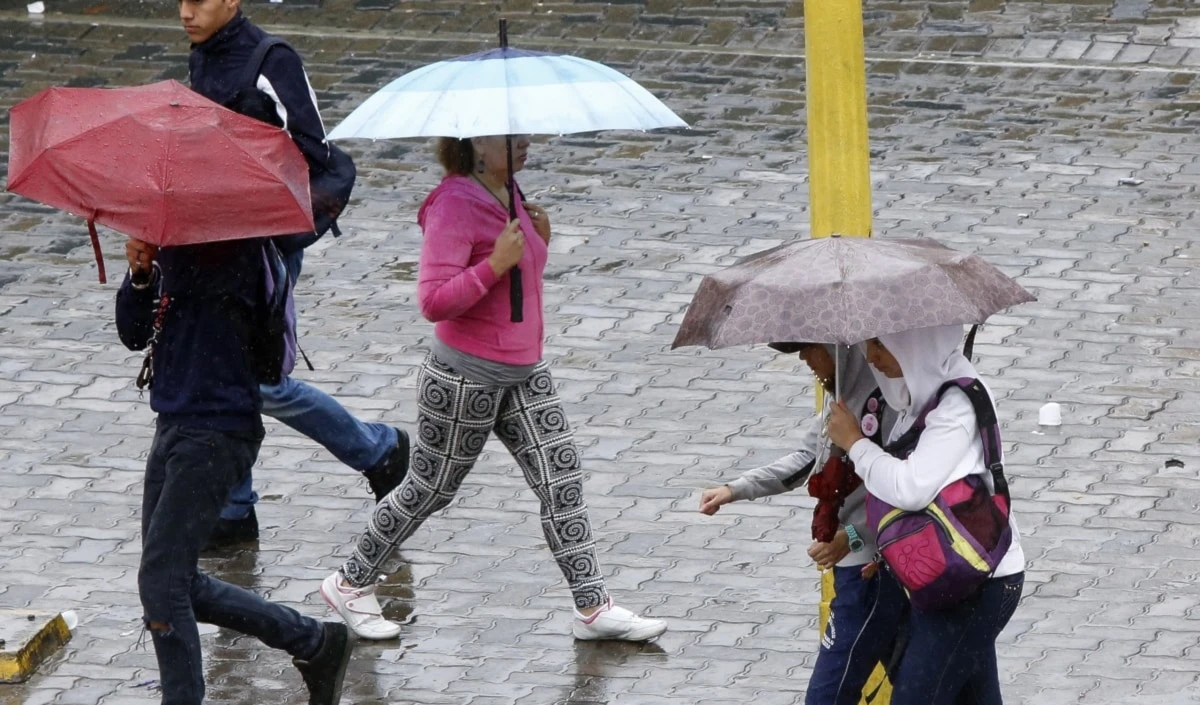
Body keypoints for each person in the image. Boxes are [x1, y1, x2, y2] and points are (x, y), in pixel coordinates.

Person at [318, 134, 667, 642]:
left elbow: (520, 290)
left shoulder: (512, 191)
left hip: (523, 370)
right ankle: (350, 582)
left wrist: (538, 243)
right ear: (476, 144)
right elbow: (434, 301)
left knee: (561, 477)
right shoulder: (455, 205)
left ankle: (592, 608)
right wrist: (495, 263)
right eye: (512, 136)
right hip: (465, 376)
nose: (526, 142)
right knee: (432, 489)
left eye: (525, 133)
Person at [180, 0, 409, 548]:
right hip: (219, 239)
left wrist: (240, 170)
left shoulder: (271, 59)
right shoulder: (201, 55)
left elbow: (312, 147)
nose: (186, 11)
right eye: (181, 0)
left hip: (268, 243)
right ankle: (235, 509)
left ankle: (378, 449)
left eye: (199, 0)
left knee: (256, 379)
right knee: (228, 371)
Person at [116, 235, 352, 705]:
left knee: (163, 585)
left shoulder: (236, 253)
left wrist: (174, 266)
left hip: (215, 433)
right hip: (174, 425)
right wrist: (141, 278)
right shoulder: (175, 250)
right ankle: (313, 641)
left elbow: (252, 351)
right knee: (178, 583)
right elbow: (134, 334)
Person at [828, 326, 1026, 705]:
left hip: (977, 580)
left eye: (881, 345)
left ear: (913, 344)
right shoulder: (915, 396)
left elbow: (912, 487)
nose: (871, 358)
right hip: (942, 576)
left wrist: (854, 443)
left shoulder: (957, 403)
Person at [699, 343, 906, 705]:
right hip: (858, 572)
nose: (804, 360)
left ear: (836, 351)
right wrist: (735, 489)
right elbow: (809, 458)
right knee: (923, 686)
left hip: (873, 574)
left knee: (827, 695)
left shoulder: (887, 408)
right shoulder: (841, 398)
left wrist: (854, 537)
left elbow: (905, 491)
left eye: (809, 350)